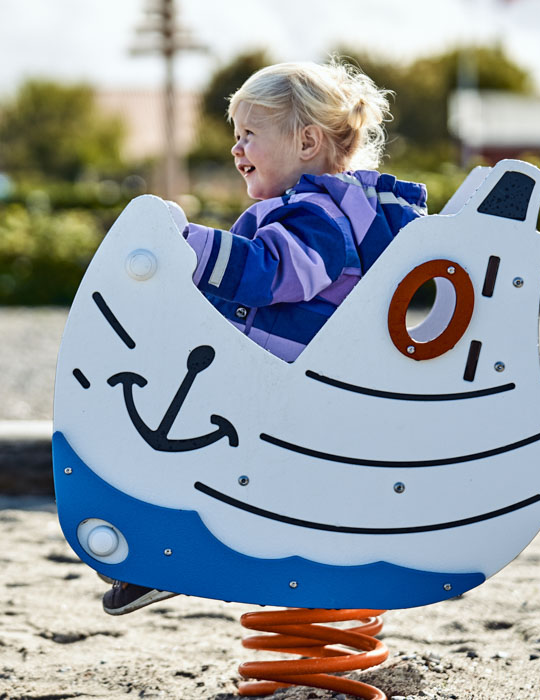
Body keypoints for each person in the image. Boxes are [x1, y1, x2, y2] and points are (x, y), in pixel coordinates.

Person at [102, 59, 430, 616]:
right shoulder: (321, 210)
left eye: (250, 134)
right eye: (236, 136)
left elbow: (275, 273)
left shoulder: (320, 215)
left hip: (285, 389)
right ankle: (169, 555)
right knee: (182, 436)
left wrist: (188, 246)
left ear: (306, 141)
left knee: (179, 438)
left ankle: (167, 557)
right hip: (288, 385)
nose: (237, 149)